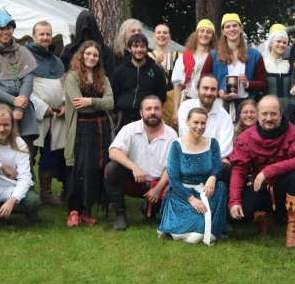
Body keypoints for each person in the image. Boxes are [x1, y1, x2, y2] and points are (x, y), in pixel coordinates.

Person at [228, 95, 295, 248]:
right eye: (264, 114)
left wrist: (268, 171)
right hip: (261, 189)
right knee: (234, 213)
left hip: (285, 189)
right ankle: (265, 218)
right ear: (258, 115)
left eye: (273, 114)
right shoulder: (247, 137)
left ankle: (293, 231)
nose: (269, 118)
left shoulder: (293, 132)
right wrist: (234, 201)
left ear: (281, 113)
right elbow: (239, 170)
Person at [106, 96, 178, 231]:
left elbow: (172, 166)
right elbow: (113, 152)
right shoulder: (129, 129)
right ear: (141, 112)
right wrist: (134, 167)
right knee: (112, 168)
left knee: (177, 176)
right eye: (148, 109)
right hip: (134, 180)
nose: (153, 112)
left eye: (156, 109)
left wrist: (158, 187)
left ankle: (151, 209)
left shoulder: (171, 135)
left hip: (160, 183)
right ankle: (120, 215)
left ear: (162, 111)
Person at [157, 108, 228, 245]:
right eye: (196, 122)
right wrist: (191, 199)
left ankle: (213, 227)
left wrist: (213, 177)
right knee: (194, 231)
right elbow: (173, 178)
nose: (199, 127)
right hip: (182, 193)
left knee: (221, 186)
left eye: (203, 123)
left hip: (206, 191)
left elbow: (217, 167)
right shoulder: (177, 146)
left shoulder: (213, 144)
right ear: (187, 122)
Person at [63, 41, 115, 227]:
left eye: (95, 55)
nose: (91, 57)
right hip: (81, 129)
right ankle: (73, 211)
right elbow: (79, 106)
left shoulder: (104, 79)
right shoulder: (72, 77)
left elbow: (110, 103)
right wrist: (97, 103)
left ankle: (86, 210)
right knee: (80, 168)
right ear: (81, 55)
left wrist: (90, 101)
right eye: (88, 54)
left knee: (96, 168)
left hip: (102, 129)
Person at [0, 9, 39, 144]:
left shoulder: (23, 52)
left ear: (13, 29)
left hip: (22, 106)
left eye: (8, 28)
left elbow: (27, 82)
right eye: (1, 28)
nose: (5, 32)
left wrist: (19, 109)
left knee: (25, 149)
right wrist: (12, 100)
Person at [23, 21, 67, 207]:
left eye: (48, 34)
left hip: (56, 117)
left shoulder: (57, 61)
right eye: (41, 34)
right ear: (33, 36)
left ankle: (46, 194)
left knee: (50, 153)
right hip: (34, 115)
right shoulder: (26, 57)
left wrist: (64, 103)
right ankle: (27, 190)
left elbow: (63, 86)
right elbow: (23, 88)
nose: (45, 37)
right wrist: (41, 107)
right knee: (28, 155)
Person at [177, 74, 234, 182]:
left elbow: (224, 148)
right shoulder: (186, 108)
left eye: (213, 89)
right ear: (197, 89)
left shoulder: (224, 116)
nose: (209, 93)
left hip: (212, 163)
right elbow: (188, 140)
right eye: (205, 88)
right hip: (188, 159)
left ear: (217, 92)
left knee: (225, 166)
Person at [212, 13, 268, 117]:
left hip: (247, 108)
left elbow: (264, 84)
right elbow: (203, 82)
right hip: (220, 106)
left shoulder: (255, 55)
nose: (231, 29)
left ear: (241, 28)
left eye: (235, 25)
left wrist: (248, 84)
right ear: (223, 31)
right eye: (228, 27)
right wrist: (218, 91)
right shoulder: (213, 55)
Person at [110, 33, 168, 127]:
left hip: (147, 117)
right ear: (129, 49)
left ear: (146, 49)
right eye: (135, 46)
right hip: (123, 118)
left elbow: (162, 95)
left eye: (142, 46)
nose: (139, 50)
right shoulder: (120, 71)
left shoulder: (156, 71)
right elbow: (113, 94)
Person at [171, 20, 217, 127]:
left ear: (212, 36)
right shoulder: (184, 56)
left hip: (208, 103)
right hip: (187, 102)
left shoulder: (215, 56)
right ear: (196, 34)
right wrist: (175, 110)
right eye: (202, 31)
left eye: (208, 32)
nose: (205, 34)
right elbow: (177, 86)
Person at [60, 9, 117, 77]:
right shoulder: (68, 51)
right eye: (83, 32)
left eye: (88, 31)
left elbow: (110, 76)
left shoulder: (106, 52)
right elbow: (64, 76)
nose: (85, 36)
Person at [263, 24, 295, 124]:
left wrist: (290, 112)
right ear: (271, 43)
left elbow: (293, 93)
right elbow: (260, 93)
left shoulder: (290, 65)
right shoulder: (262, 64)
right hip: (268, 112)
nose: (281, 45)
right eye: (278, 41)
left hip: (288, 113)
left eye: (284, 42)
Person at [150, 23, 181, 127]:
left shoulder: (178, 55)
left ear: (169, 36)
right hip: (155, 98)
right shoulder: (147, 56)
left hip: (173, 99)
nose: (161, 35)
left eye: (165, 33)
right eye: (158, 32)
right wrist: (154, 64)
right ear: (154, 36)